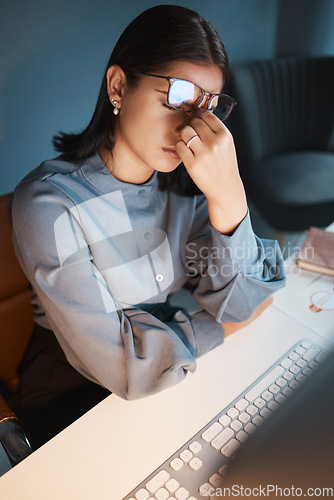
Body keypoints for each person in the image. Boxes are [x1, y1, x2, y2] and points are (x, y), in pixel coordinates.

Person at [12, 5, 286, 448]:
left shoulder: (187, 190)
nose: (189, 128)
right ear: (119, 86)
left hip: (172, 369)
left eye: (206, 109)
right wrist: (220, 328)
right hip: (74, 391)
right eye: (177, 98)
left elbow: (238, 300)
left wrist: (230, 200)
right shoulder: (48, 204)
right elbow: (128, 367)